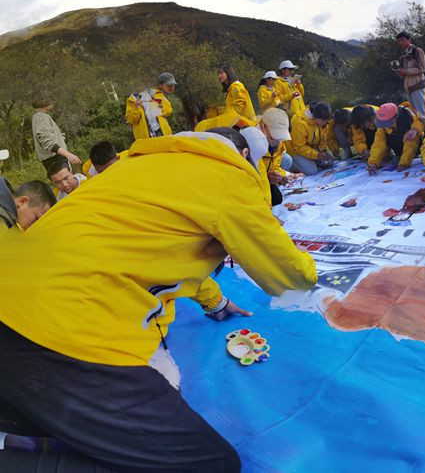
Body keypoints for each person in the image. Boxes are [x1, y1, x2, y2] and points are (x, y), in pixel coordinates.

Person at [0, 128, 317, 472]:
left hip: (13, 304)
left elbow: (159, 252)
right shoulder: (227, 178)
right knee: (208, 464)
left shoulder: (134, 165)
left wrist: (216, 302)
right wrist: (306, 265)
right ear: (242, 156)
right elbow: (289, 277)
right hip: (62, 332)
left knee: (52, 417)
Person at [257, 108, 303, 205]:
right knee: (271, 200)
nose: (277, 140)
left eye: (280, 136)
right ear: (263, 127)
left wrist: (282, 175)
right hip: (255, 180)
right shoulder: (252, 142)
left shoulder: (278, 141)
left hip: (265, 176)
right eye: (274, 136)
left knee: (277, 199)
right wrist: (267, 178)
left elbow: (275, 164)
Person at [195, 64, 257, 131]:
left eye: (221, 73)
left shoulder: (236, 87)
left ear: (229, 73)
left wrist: (224, 113)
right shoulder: (231, 88)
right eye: (218, 74)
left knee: (204, 125)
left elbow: (238, 107)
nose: (219, 76)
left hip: (242, 120)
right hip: (235, 116)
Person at [367, 102, 424, 173]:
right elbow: (378, 144)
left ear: (396, 117)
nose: (386, 125)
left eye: (388, 123)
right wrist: (373, 163)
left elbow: (411, 142)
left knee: (410, 138)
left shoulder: (407, 117)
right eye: (383, 123)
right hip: (399, 152)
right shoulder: (382, 125)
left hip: (416, 150)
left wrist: (404, 163)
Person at [31, 97, 81, 172]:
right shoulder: (41, 117)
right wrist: (68, 154)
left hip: (57, 159)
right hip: (55, 160)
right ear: (45, 104)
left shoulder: (41, 116)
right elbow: (48, 142)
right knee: (66, 179)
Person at [125, 72, 176, 140]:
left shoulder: (155, 93)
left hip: (162, 132)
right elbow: (131, 120)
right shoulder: (132, 99)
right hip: (145, 138)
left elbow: (168, 111)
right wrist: (136, 107)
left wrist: (157, 106)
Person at [287, 101, 334, 175]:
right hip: (294, 151)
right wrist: (317, 155)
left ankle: (310, 162)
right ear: (316, 117)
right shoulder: (299, 122)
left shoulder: (322, 120)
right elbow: (299, 147)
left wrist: (323, 151)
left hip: (310, 148)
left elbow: (322, 139)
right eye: (324, 121)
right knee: (311, 171)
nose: (325, 123)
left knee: (330, 162)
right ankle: (289, 164)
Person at [395, 31, 425, 118]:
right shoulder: (404, 54)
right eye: (399, 41)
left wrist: (406, 71)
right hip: (409, 88)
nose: (400, 43)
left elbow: (422, 68)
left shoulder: (417, 51)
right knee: (414, 113)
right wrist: (400, 72)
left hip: (418, 85)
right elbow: (405, 72)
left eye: (402, 40)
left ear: (409, 40)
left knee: (422, 112)